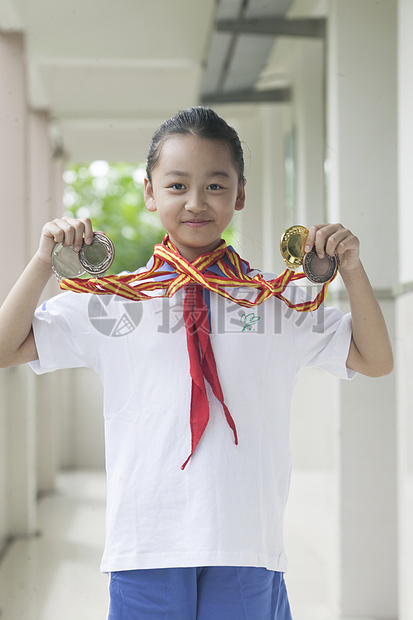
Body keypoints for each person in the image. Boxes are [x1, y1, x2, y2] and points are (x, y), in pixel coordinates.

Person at [0, 106, 393, 620]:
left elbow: (375, 360)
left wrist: (355, 270)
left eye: (215, 185)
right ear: (149, 192)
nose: (195, 202)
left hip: (247, 544)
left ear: (241, 193)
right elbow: (6, 347)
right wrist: (40, 260)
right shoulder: (117, 301)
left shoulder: (276, 301)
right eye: (177, 185)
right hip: (147, 544)